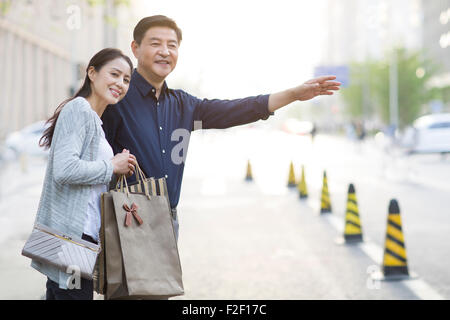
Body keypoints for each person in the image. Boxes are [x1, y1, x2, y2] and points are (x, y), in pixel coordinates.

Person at [101, 15, 341, 241]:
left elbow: (235, 110)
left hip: (167, 219)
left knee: (163, 287)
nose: (165, 52)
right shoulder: (116, 96)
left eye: (172, 45)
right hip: (126, 218)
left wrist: (294, 94)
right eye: (156, 44)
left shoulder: (183, 105)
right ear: (135, 48)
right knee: (128, 287)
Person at [31, 48, 137, 300]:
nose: (120, 83)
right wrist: (112, 166)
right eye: (114, 74)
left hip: (80, 238)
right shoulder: (79, 109)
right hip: (71, 237)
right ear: (92, 72)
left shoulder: (95, 121)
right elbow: (65, 170)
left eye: (126, 79)